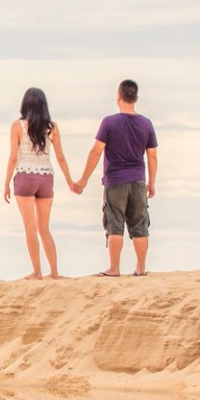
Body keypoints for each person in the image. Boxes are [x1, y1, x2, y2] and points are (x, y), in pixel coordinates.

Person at [73, 79, 157, 277]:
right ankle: (140, 268)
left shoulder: (109, 122)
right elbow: (152, 155)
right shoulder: (146, 124)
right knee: (139, 223)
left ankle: (114, 268)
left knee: (114, 223)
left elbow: (96, 151)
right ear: (136, 98)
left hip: (115, 180)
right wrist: (152, 181)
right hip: (138, 180)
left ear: (118, 97)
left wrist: (83, 179)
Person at [2, 88, 77, 279]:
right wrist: (70, 181)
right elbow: (60, 157)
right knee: (44, 228)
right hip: (46, 178)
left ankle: (37, 272)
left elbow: (12, 158)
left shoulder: (17, 126)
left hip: (25, 177)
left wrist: (6, 183)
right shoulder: (52, 127)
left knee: (30, 227)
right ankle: (54, 272)